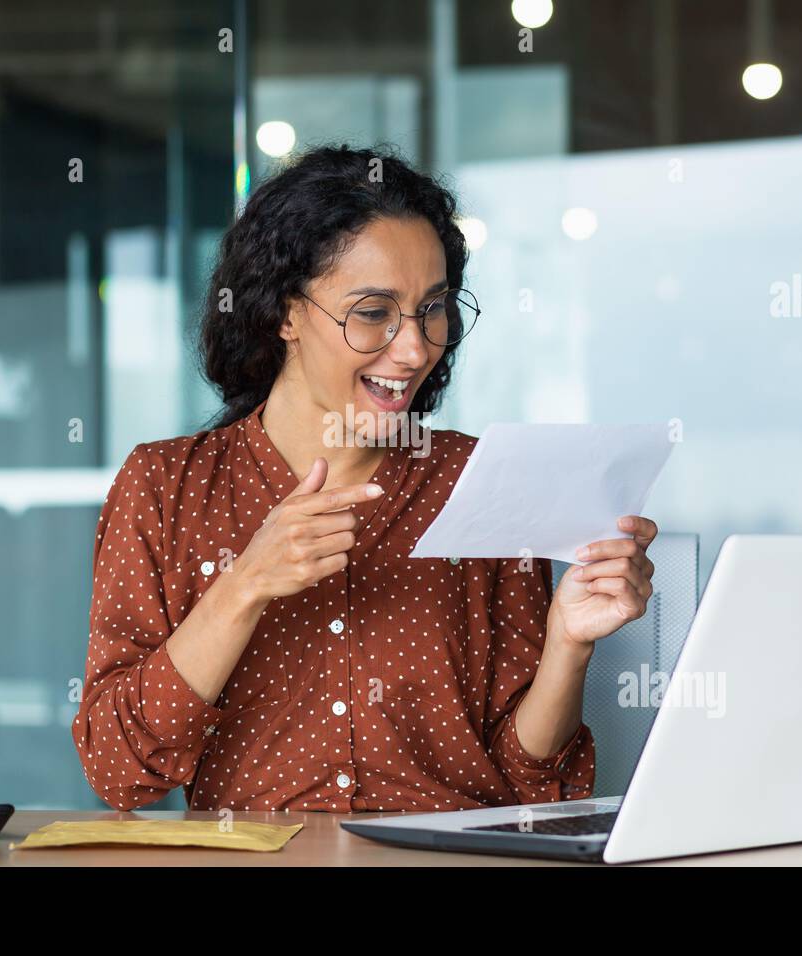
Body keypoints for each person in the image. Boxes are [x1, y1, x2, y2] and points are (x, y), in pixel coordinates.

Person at [72, 144, 657, 813]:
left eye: (432, 308)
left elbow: (530, 783)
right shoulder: (165, 486)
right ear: (285, 312)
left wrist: (568, 644)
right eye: (373, 312)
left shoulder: (483, 480)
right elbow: (118, 771)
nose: (413, 349)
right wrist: (245, 586)